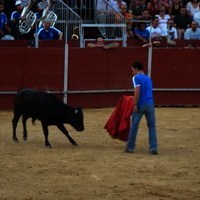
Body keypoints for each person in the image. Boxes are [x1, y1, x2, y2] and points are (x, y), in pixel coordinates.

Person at [125, 61, 158, 155]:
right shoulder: (148, 78)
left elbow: (137, 91)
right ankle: (153, 148)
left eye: (132, 70)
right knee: (152, 127)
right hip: (150, 103)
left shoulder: (136, 78)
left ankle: (130, 147)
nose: (132, 72)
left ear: (136, 68)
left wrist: (135, 104)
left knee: (134, 126)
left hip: (141, 104)